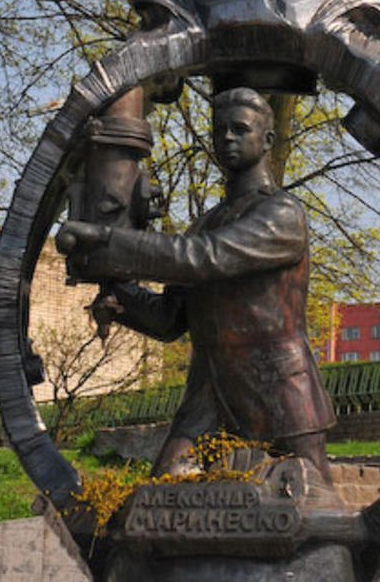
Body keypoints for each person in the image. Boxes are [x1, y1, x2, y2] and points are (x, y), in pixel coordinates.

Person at [55, 88, 335, 481]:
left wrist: (108, 240)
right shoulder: (207, 223)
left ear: (267, 140)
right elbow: (171, 319)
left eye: (240, 129)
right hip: (211, 391)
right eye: (220, 131)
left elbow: (204, 257)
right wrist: (120, 297)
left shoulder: (281, 214)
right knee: (161, 492)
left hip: (280, 390)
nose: (227, 138)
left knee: (313, 496)